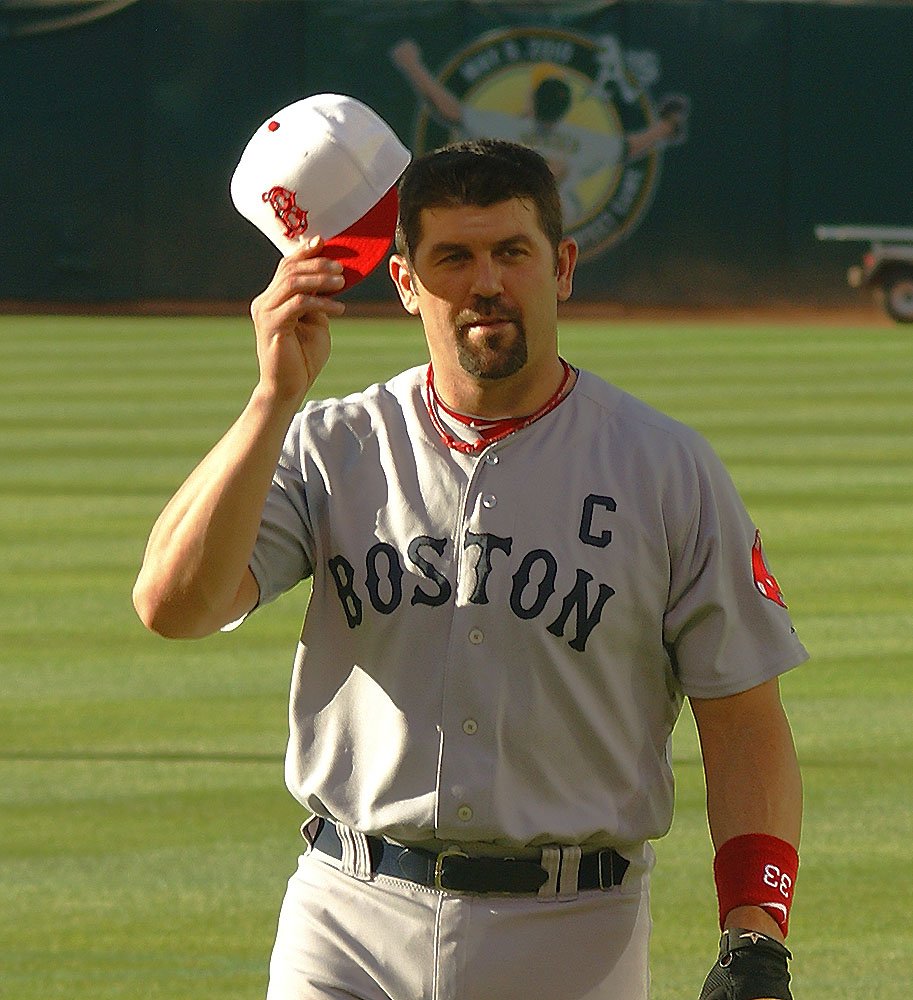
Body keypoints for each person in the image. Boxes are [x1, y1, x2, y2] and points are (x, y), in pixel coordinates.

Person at [133, 138, 806, 1000]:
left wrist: (755, 935)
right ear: (406, 282)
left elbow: (742, 714)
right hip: (348, 915)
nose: (485, 282)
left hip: (570, 931)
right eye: (453, 257)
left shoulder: (663, 468)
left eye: (511, 253)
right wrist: (272, 401)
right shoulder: (332, 444)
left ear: (560, 267)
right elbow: (174, 606)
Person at [390, 39, 689, 228]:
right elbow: (629, 146)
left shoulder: (507, 128)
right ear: (565, 107)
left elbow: (450, 110)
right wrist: (666, 127)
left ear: (533, 100)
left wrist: (412, 65)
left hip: (512, 216)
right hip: (560, 216)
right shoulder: (585, 141)